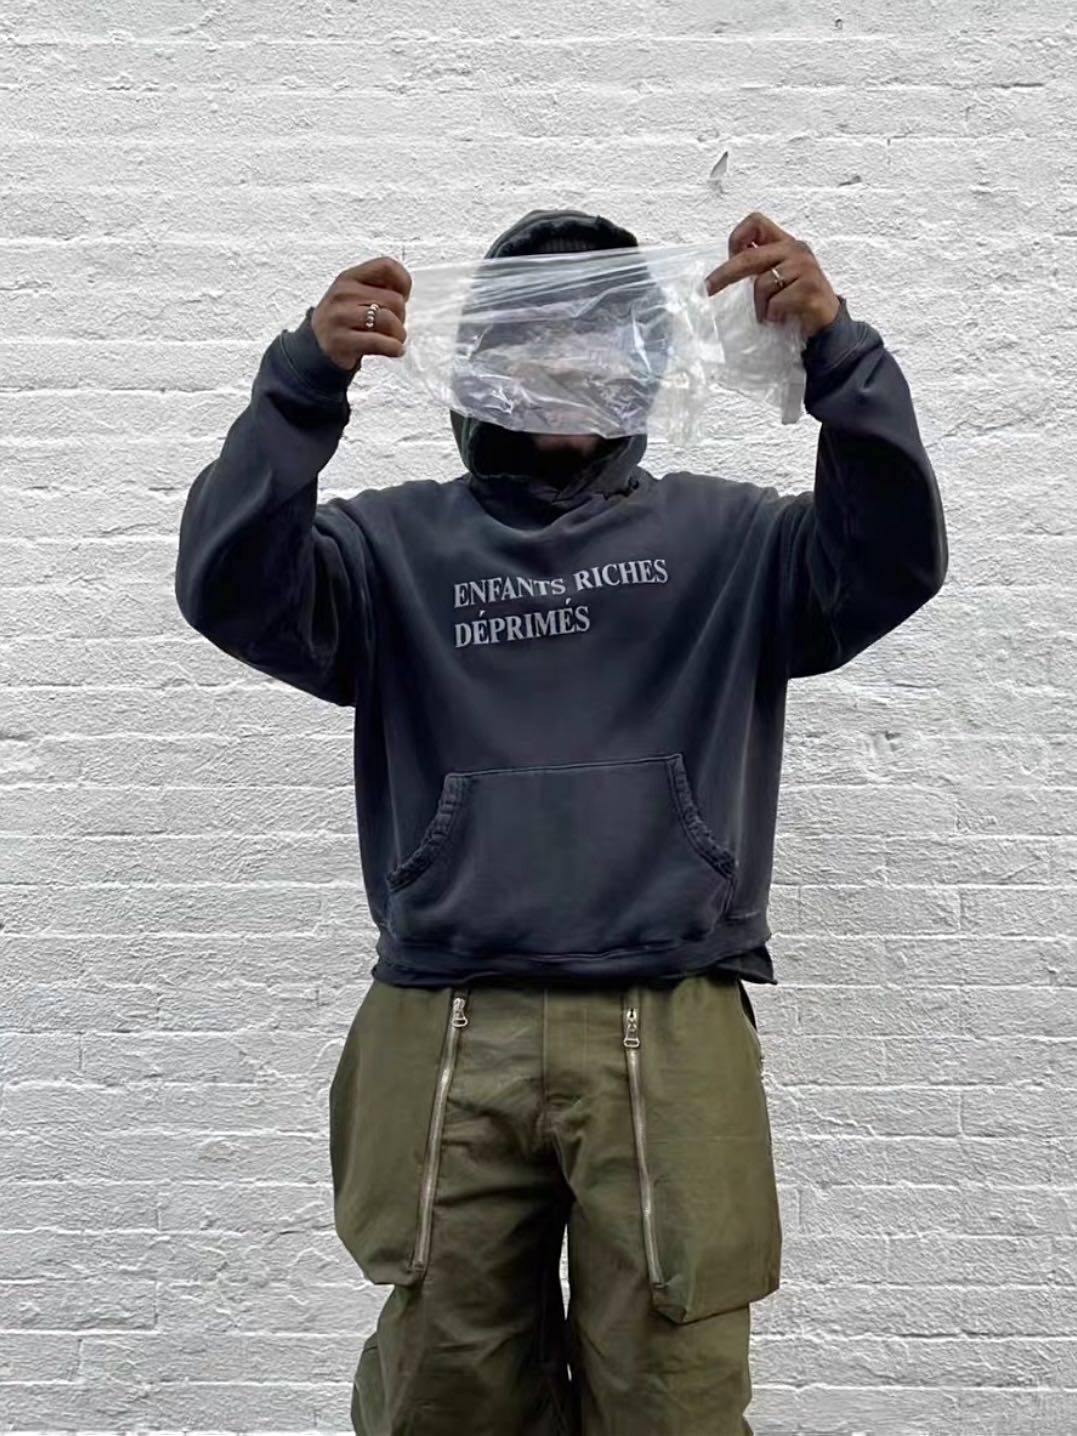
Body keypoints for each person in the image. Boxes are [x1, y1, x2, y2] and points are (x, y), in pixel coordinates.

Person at [174, 206, 948, 1434]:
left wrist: (835, 353)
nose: (568, 364)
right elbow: (228, 586)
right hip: (443, 1018)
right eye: (535, 337)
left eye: (604, 334)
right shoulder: (389, 547)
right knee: (446, 1388)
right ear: (480, 362)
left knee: (675, 1393)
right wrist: (302, 384)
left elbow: (894, 558)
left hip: (673, 1014)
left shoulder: (731, 541)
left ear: (649, 361)